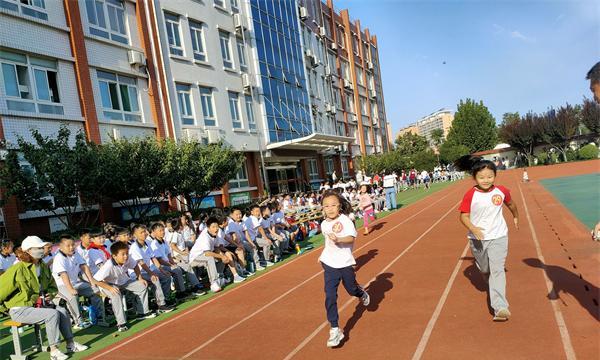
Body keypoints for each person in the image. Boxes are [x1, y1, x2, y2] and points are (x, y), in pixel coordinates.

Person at [0, 236, 88, 360]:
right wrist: (4, 308)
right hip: (19, 309)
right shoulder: (18, 268)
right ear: (28, 250)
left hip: (38, 306)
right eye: (38, 248)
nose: (42, 250)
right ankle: (54, 350)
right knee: (51, 314)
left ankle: (70, 343)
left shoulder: (43, 266)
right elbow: (1, 290)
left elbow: (52, 286)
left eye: (42, 247)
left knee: (62, 311)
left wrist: (49, 295)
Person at [455, 155, 519, 322]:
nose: (486, 180)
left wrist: (516, 216)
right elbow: (463, 217)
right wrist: (473, 228)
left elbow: (511, 204)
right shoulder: (470, 195)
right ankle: (485, 271)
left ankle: (500, 308)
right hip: (478, 239)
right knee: (486, 269)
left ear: (495, 176)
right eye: (482, 177)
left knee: (497, 270)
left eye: (490, 176)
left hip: (499, 235)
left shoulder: (501, 191)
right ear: (474, 177)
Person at [319, 190, 370, 348]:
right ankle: (335, 329)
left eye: (333, 205)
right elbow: (328, 243)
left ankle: (361, 292)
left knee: (351, 290)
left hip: (345, 263)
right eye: (326, 206)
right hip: (329, 264)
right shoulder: (323, 224)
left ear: (340, 206)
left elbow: (351, 238)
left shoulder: (346, 220)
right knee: (330, 295)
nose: (330, 208)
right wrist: (323, 255)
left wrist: (339, 239)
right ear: (322, 208)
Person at [94, 241, 155, 332]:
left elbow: (135, 266)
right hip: (107, 285)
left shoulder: (128, 258)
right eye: (123, 254)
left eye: (126, 253)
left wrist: (140, 278)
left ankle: (142, 313)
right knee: (116, 294)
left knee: (141, 286)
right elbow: (96, 280)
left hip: (124, 281)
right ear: (114, 256)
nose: (126, 256)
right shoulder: (108, 265)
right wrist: (110, 288)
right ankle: (121, 323)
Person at [52, 234, 105, 329]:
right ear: (61, 247)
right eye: (68, 245)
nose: (71, 247)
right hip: (60, 286)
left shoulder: (75, 253)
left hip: (75, 283)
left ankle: (99, 316)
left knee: (95, 291)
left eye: (73, 244)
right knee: (72, 296)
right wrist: (71, 289)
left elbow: (84, 266)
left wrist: (92, 282)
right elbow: (64, 275)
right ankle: (78, 321)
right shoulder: (59, 258)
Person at [129, 224, 174, 313]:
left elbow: (153, 258)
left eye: (145, 231)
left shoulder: (147, 243)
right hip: (136, 273)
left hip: (146, 271)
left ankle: (165, 298)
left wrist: (162, 270)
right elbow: (141, 263)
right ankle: (161, 305)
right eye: (141, 232)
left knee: (166, 276)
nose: (144, 234)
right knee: (155, 279)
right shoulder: (134, 247)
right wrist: (151, 273)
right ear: (135, 235)